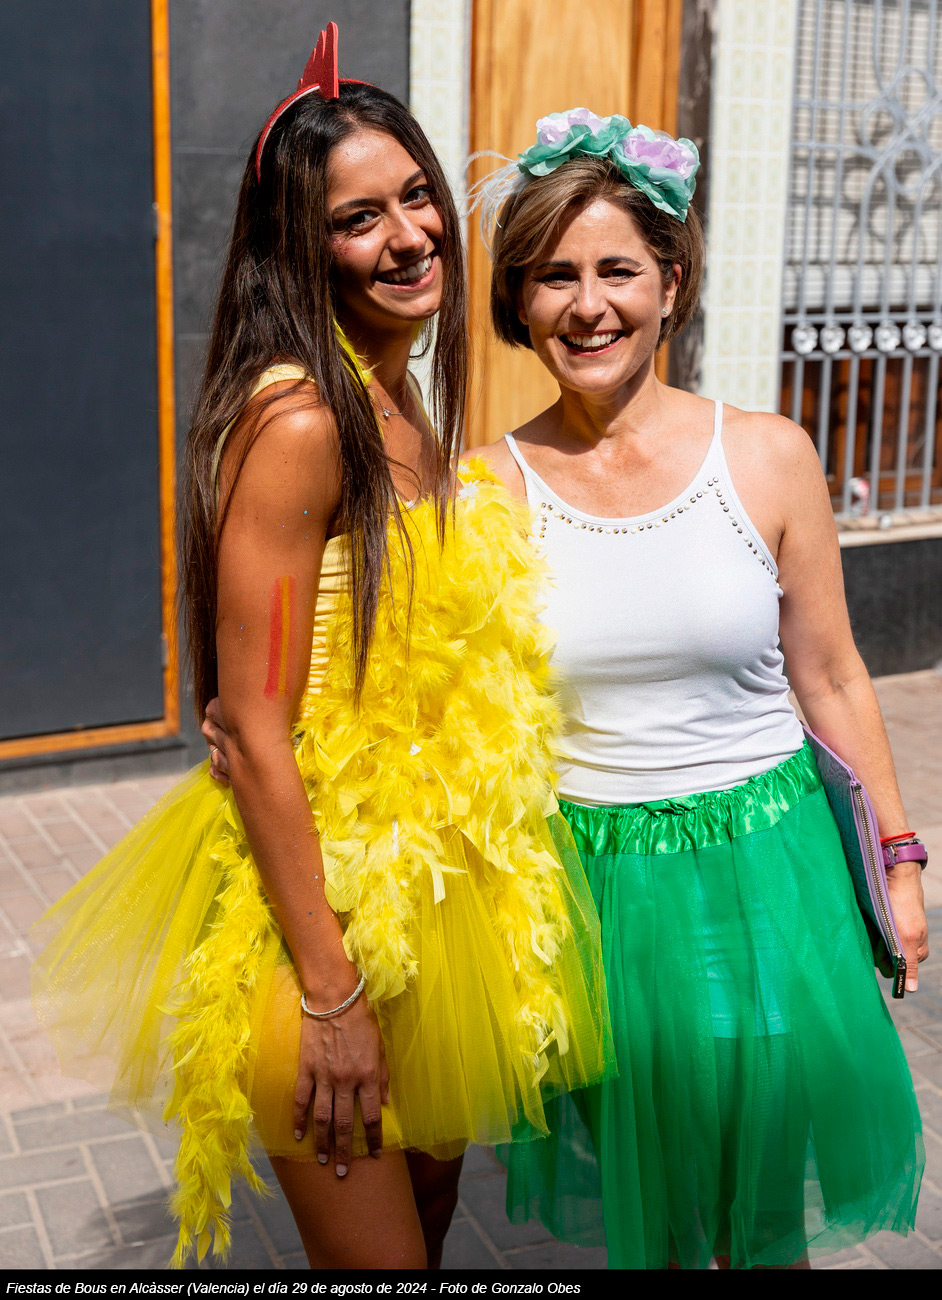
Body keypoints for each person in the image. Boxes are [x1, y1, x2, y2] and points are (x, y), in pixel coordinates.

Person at [30, 36, 612, 1271]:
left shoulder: (403, 398)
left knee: (430, 1232)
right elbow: (251, 727)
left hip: (431, 907)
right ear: (302, 248)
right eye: (360, 218)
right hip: (326, 923)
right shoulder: (300, 420)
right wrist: (332, 994)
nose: (410, 236)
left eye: (416, 196)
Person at [461, 108, 926, 1270]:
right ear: (519, 301)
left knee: (762, 1222)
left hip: (768, 867)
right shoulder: (485, 490)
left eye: (617, 270)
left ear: (670, 282)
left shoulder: (768, 454)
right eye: (554, 276)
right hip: (595, 894)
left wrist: (902, 858)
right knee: (655, 1226)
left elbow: (833, 673)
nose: (589, 305)